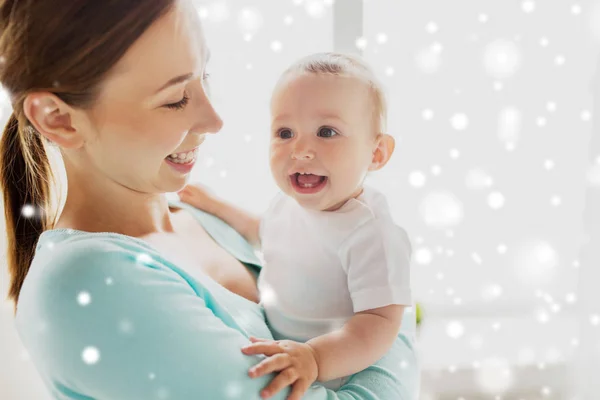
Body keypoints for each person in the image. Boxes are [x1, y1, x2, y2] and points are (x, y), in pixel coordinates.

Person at [0, 1, 419, 399]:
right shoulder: (85, 285)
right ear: (58, 119)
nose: (215, 120)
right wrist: (388, 303)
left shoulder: (197, 215)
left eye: (205, 77)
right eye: (174, 98)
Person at [178, 52, 412, 398]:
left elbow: (380, 323)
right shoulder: (287, 204)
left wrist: (317, 358)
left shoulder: (371, 233)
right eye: (285, 132)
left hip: (338, 374)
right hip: (291, 356)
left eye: (326, 132)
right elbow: (266, 233)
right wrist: (216, 205)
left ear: (376, 153)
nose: (301, 149)